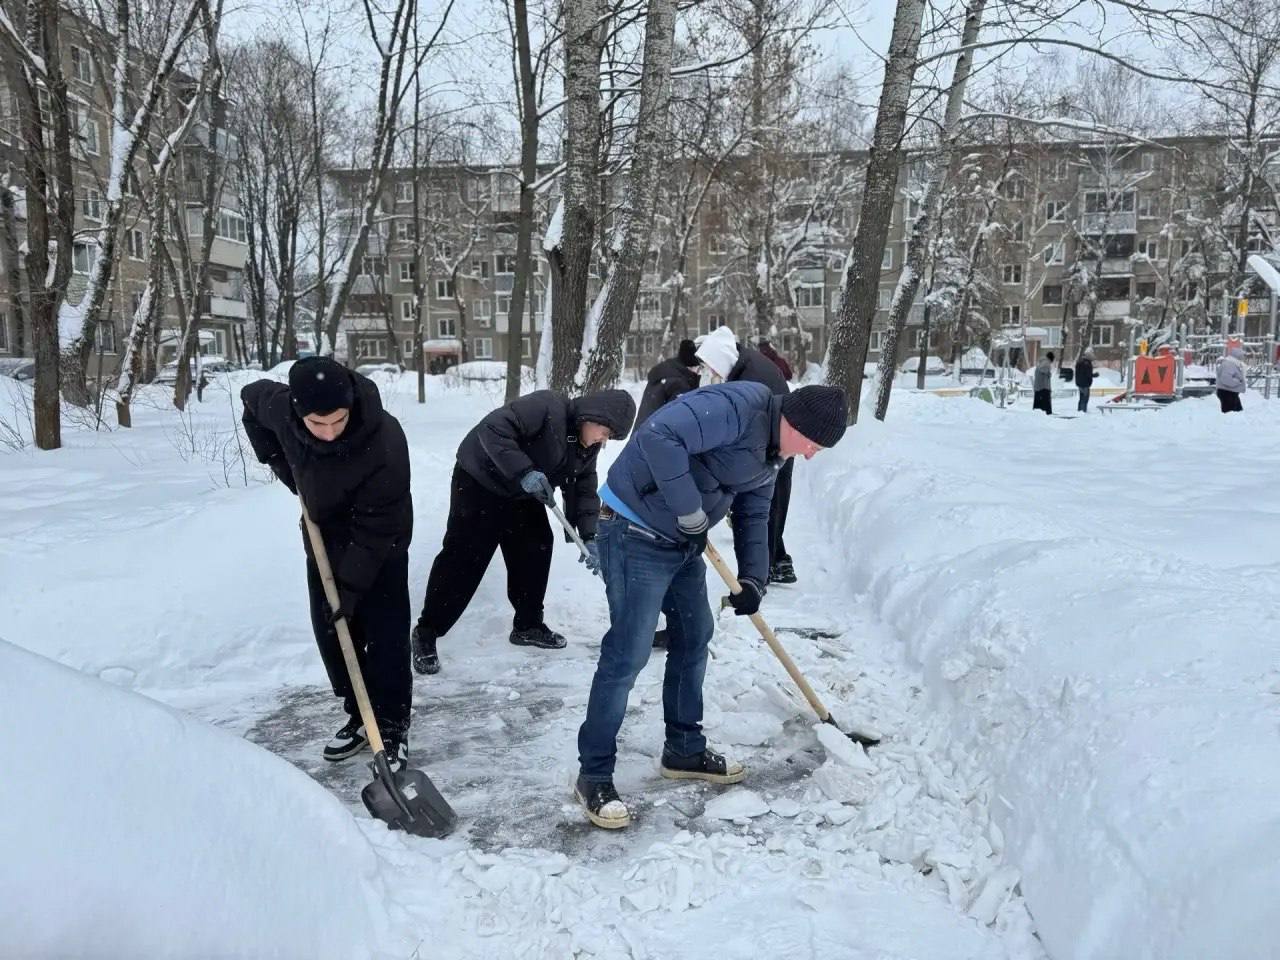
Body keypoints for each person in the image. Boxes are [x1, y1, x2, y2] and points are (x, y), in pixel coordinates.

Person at [573, 381, 849, 829]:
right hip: (633, 529)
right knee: (629, 652)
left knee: (694, 637)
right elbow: (659, 436)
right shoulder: (734, 407)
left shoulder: (774, 455)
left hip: (683, 542)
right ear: (794, 423)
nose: (813, 454)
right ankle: (594, 773)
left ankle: (683, 748)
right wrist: (689, 511)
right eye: (813, 443)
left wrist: (753, 579)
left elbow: (755, 514)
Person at [241, 357, 414, 769]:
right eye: (318, 425)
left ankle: (390, 727)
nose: (330, 431)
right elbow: (250, 402)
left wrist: (350, 591)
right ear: (299, 412)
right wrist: (280, 464)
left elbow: (378, 527)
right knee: (333, 632)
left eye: (338, 420)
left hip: (380, 541)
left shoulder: (384, 438)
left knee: (385, 633)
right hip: (323, 537)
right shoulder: (282, 410)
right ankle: (360, 716)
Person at [410, 388, 637, 675]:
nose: (603, 441)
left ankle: (528, 625)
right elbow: (493, 429)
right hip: (481, 478)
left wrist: (589, 536)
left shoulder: (586, 445)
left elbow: (583, 487)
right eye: (604, 431)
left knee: (536, 546)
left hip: (522, 491)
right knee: (466, 555)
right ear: (592, 416)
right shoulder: (547, 407)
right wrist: (523, 471)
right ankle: (427, 631)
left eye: (609, 437)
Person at [695, 327, 797, 584]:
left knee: (764, 507)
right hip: (779, 438)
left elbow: (747, 418)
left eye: (713, 367)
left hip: (778, 441)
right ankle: (777, 561)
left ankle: (768, 568)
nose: (714, 373)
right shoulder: (746, 363)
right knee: (768, 505)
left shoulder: (751, 374)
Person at [636, 339, 700, 427]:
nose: (698, 372)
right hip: (657, 435)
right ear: (690, 366)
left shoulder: (665, 373)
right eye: (697, 368)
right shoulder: (679, 384)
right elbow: (679, 421)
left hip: (642, 431)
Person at [1216, 345, 1246, 412]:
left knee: (1237, 412)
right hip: (1227, 393)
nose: (1243, 357)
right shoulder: (1229, 364)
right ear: (1237, 356)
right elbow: (1226, 379)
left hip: (1230, 392)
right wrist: (1238, 381)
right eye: (1241, 355)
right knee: (1230, 415)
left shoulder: (1233, 363)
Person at [1075, 348, 1096, 413]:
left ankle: (1080, 410)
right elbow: (1088, 374)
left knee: (1081, 398)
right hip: (1085, 384)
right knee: (1085, 398)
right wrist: (1094, 375)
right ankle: (1083, 411)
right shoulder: (1087, 363)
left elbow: (1078, 373)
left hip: (1079, 383)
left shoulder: (1079, 362)